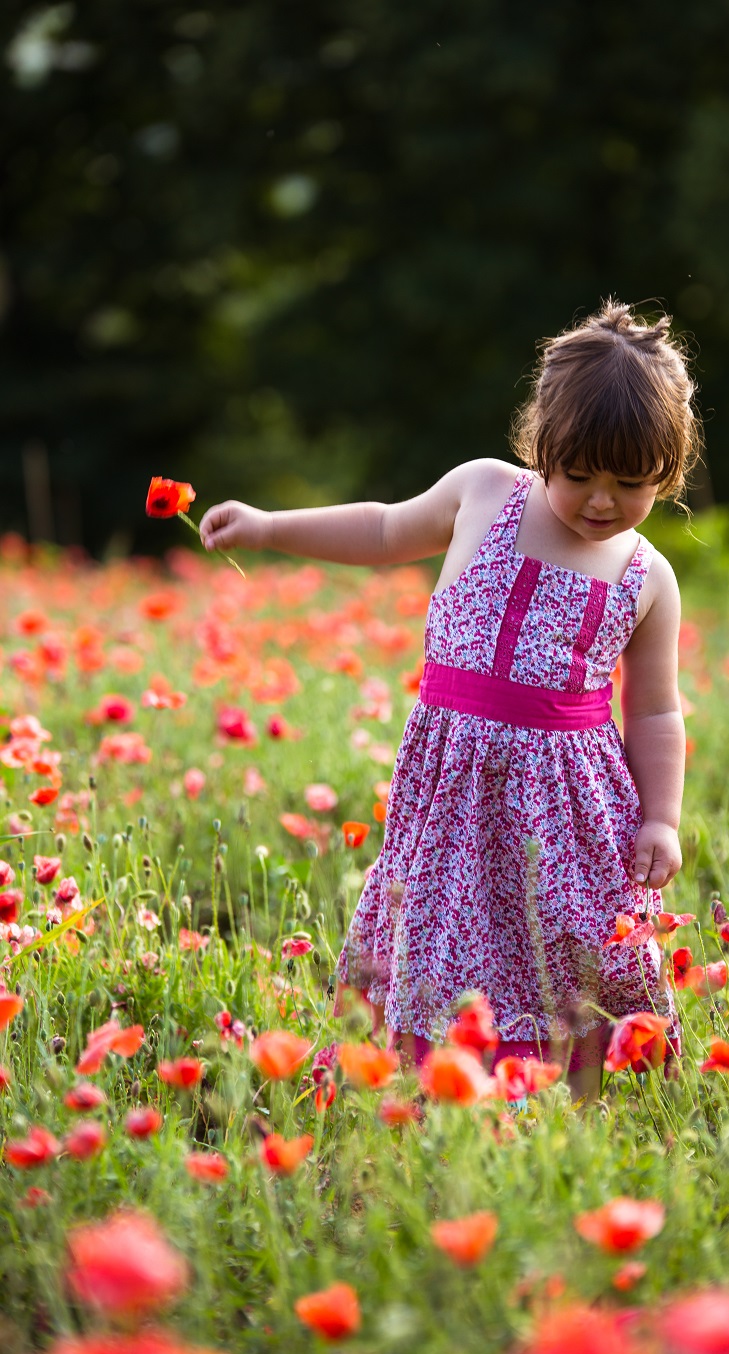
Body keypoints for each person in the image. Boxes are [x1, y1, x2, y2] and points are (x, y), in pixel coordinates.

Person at [200, 298, 700, 1103]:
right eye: (579, 476)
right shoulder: (484, 495)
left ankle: (563, 1096)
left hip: (565, 817)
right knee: (438, 934)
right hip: (453, 797)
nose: (601, 501)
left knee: (560, 949)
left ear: (667, 475)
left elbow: (653, 712)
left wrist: (660, 818)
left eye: (630, 484)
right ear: (542, 447)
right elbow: (385, 529)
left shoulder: (647, 577)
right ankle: (431, 1084)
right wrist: (267, 526)